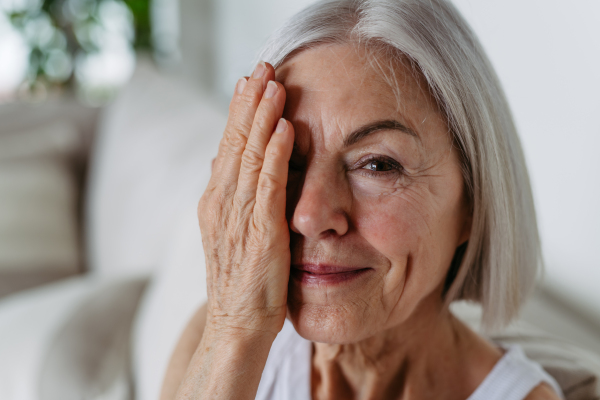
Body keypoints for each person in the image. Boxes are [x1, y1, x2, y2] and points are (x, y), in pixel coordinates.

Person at [161, 0, 565, 399]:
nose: (309, 216)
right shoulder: (220, 337)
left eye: (378, 165)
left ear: (472, 205)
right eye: (290, 161)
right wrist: (233, 333)